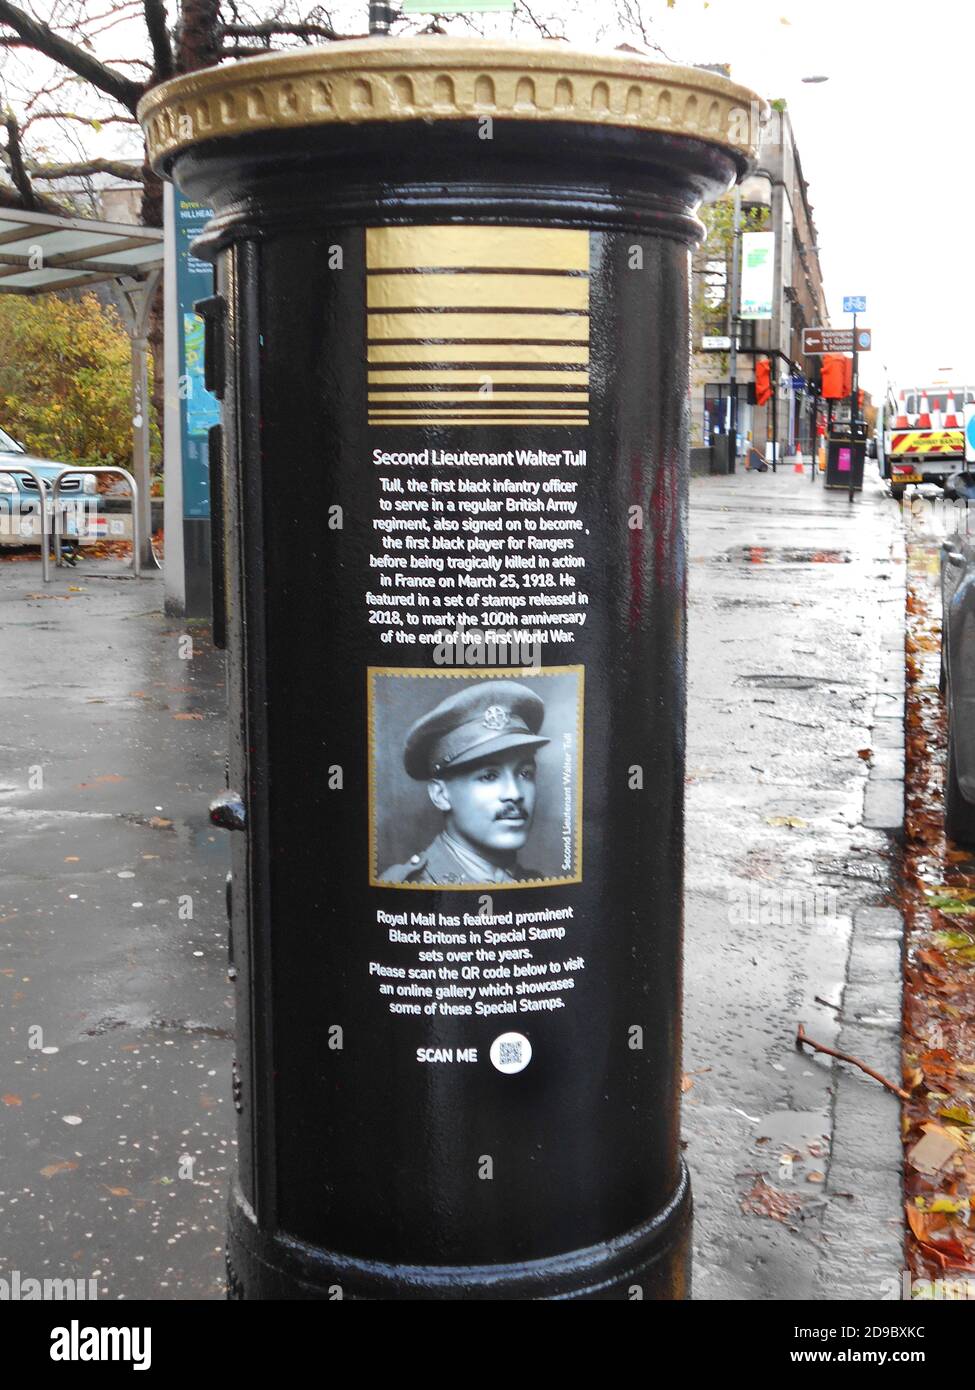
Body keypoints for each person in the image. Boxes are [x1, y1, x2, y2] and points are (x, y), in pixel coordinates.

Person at [380, 679, 548, 885]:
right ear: (440, 795)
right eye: (489, 776)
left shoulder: (535, 882)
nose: (515, 793)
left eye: (525, 773)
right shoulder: (406, 885)